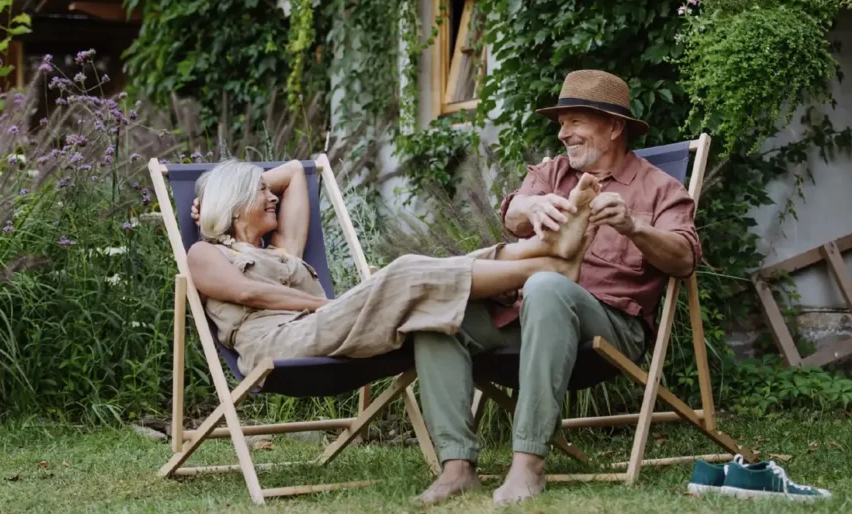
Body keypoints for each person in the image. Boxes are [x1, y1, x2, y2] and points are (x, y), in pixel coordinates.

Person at [412, 69, 703, 505]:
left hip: (609, 328)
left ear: (613, 126)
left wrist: (633, 227)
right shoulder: (553, 174)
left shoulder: (659, 189)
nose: (563, 133)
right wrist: (532, 203)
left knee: (547, 286)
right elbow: (513, 217)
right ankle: (457, 467)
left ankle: (528, 465)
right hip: (526, 315)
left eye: (575, 121)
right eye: (561, 123)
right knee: (441, 310)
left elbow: (684, 259)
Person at [184, 157, 602, 385]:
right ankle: (547, 260)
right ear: (237, 204)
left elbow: (295, 171)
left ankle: (546, 252)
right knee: (403, 273)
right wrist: (328, 304)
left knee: (411, 273)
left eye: (265, 188)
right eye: (261, 192)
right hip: (276, 342)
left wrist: (238, 191)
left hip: (322, 326)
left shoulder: (283, 250)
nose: (271, 196)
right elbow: (250, 295)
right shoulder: (205, 253)